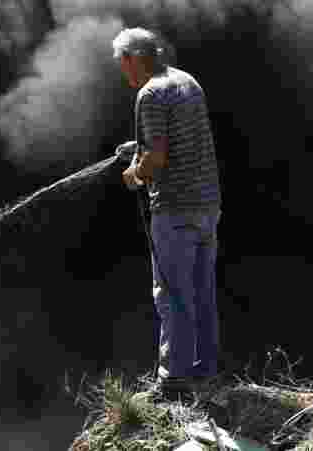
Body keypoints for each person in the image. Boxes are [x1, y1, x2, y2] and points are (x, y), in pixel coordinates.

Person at [111, 27, 222, 399]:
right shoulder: (185, 80)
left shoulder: (149, 93)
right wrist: (137, 146)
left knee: (172, 294)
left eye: (121, 64)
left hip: (175, 210)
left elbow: (156, 159)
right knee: (202, 291)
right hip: (208, 205)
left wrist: (134, 173)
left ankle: (173, 382)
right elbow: (174, 137)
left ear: (132, 59)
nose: (122, 73)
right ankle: (204, 371)